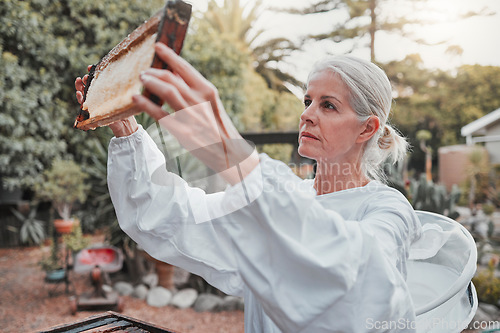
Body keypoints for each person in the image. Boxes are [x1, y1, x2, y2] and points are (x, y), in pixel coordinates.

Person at [76, 42, 422, 332]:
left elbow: (357, 281)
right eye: (307, 101)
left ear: (367, 129)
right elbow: (174, 218)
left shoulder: (387, 210)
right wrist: (127, 128)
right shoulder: (284, 197)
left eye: (328, 105)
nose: (308, 114)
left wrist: (230, 151)